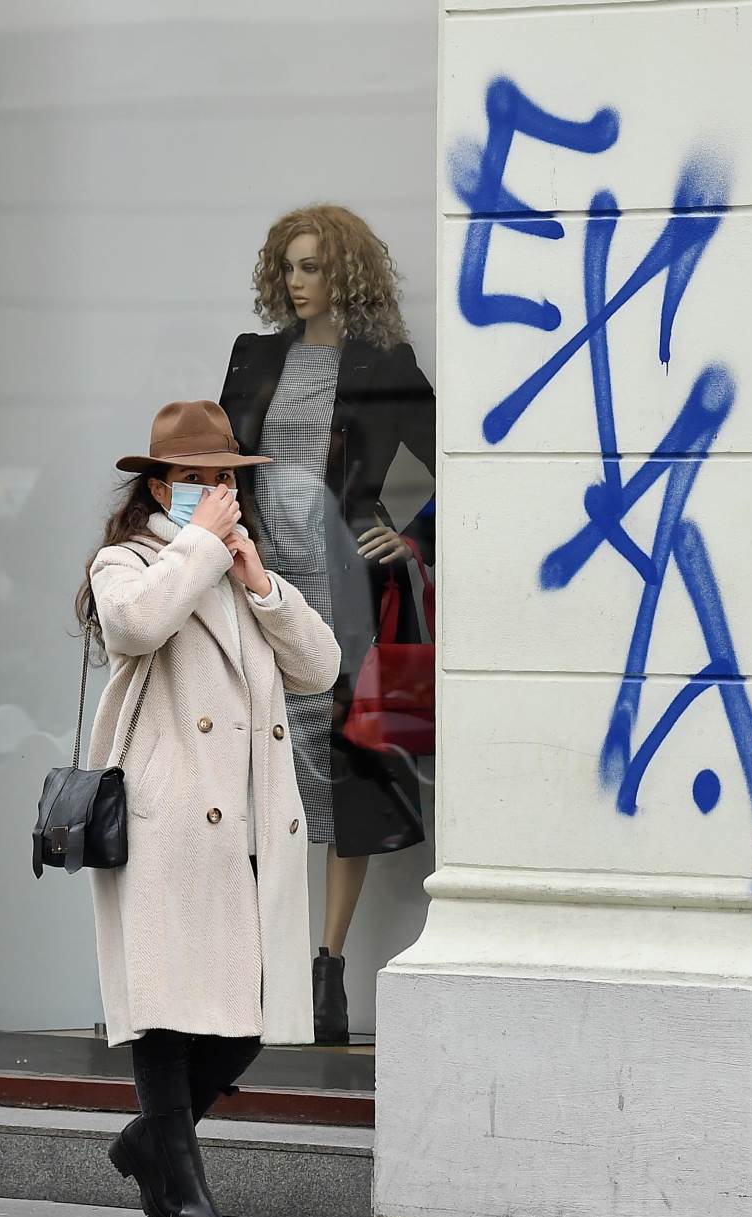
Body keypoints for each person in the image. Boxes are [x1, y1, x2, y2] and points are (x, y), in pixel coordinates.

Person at [77, 399, 340, 1217]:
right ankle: (189, 1208)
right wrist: (199, 548)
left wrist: (259, 579)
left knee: (245, 1019)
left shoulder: (233, 568)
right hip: (168, 822)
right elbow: (136, 624)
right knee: (168, 1010)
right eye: (198, 479)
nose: (218, 492)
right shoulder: (129, 560)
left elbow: (320, 667)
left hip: (251, 820)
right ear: (159, 486)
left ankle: (151, 1145)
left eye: (226, 477)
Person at [218, 204, 439, 1045]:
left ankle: (326, 969)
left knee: (345, 773)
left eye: (311, 266)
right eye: (288, 266)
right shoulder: (256, 358)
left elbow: (456, 456)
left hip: (345, 592)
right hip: (260, 581)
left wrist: (409, 534)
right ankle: (252, 964)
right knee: (258, 768)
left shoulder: (385, 364)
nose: (296, 281)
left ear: (344, 273)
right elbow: (220, 462)